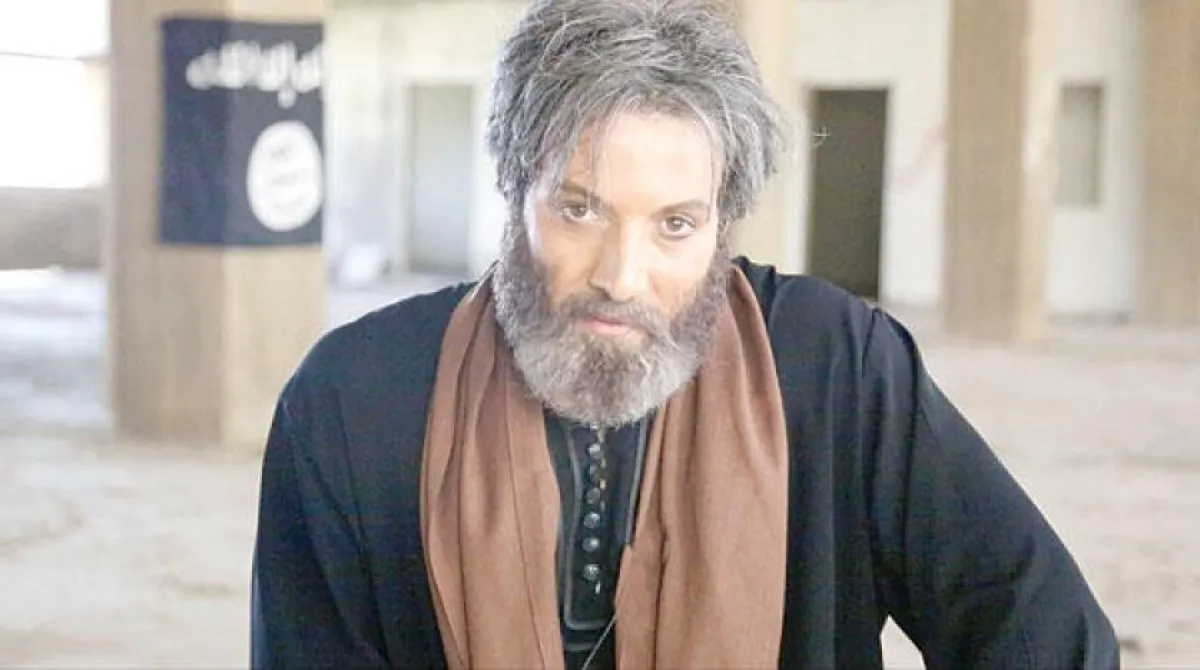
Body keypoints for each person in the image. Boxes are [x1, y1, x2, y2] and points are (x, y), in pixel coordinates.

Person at [250, 0, 1119, 667]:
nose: (622, 277)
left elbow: (1044, 632)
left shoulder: (836, 370)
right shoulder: (352, 404)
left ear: (722, 227)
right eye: (580, 208)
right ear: (514, 191)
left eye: (675, 225)